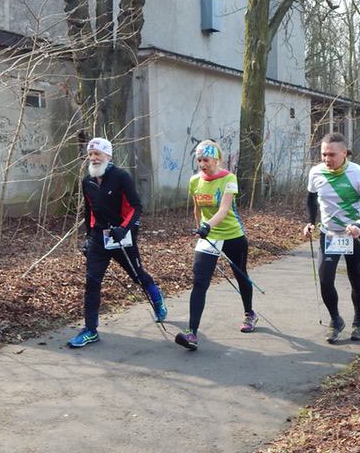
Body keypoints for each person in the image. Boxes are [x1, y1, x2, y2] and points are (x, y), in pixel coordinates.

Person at [69, 137, 167, 348]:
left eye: (97, 154)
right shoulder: (87, 181)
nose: (93, 158)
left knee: (137, 276)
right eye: (90, 154)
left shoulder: (121, 177)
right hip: (99, 238)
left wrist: (124, 229)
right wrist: (88, 238)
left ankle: (157, 299)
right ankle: (90, 330)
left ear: (108, 155)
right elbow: (89, 211)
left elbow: (136, 207)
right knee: (92, 282)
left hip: (122, 236)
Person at [174, 140, 256, 350]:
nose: (202, 164)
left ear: (217, 159)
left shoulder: (229, 178)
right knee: (200, 282)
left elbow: (224, 209)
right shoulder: (194, 181)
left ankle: (249, 313)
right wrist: (200, 229)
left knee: (241, 275)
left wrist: (207, 226)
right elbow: (197, 209)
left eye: (206, 160)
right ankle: (192, 333)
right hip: (208, 236)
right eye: (199, 160)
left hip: (232, 234)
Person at [304, 132, 360, 343]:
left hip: (353, 234)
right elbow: (311, 199)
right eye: (323, 154)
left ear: (344, 153)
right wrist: (310, 222)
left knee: (356, 278)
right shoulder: (316, 172)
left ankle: (358, 322)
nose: (327, 159)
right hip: (329, 234)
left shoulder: (358, 173)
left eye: (332, 154)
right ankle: (336, 320)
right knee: (325, 280)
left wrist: (359, 224)